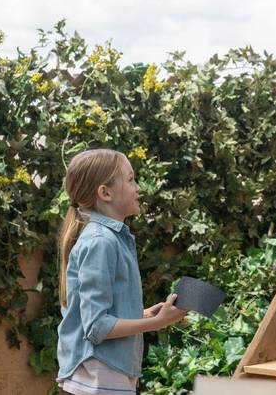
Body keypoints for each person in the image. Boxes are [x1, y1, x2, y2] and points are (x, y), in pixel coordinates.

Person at [56, 149, 187, 395]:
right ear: (105, 193)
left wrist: (146, 315)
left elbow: (105, 315)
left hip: (108, 371)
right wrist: (157, 323)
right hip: (100, 374)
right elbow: (96, 327)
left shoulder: (111, 239)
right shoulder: (101, 242)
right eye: (130, 180)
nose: (138, 188)